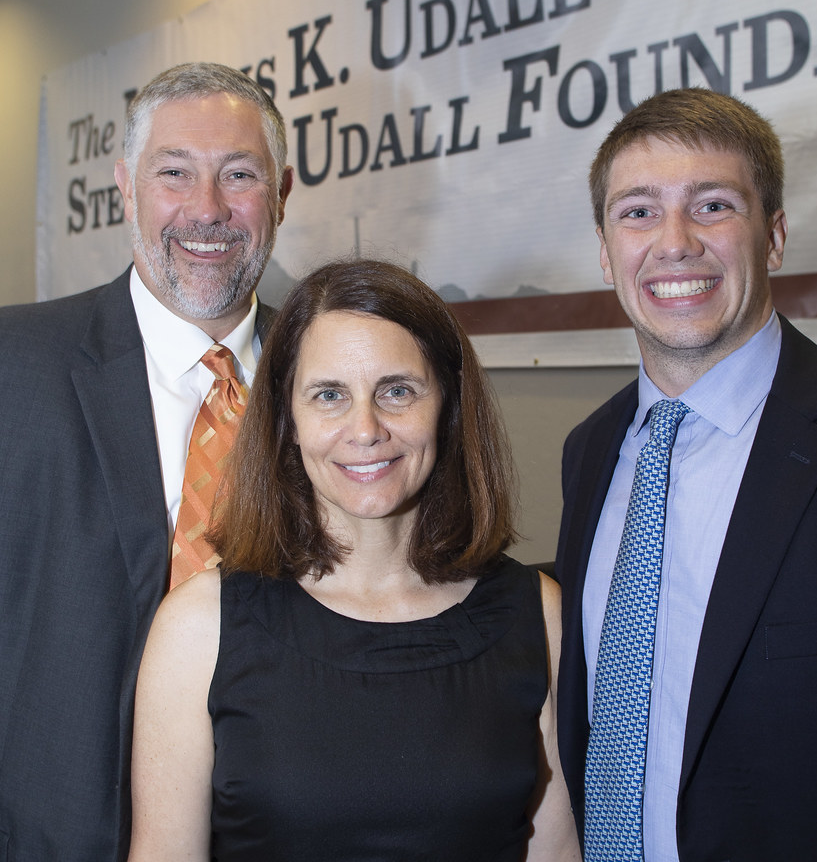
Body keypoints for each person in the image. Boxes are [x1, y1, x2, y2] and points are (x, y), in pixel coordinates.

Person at [128, 258, 581, 862]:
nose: (365, 429)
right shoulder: (197, 628)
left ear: (446, 404)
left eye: (397, 391)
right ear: (287, 419)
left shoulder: (537, 615)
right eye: (329, 395)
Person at [0, 62, 294, 862]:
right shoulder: (13, 367)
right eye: (174, 173)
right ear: (126, 187)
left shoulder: (331, 378)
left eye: (239, 175)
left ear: (283, 191)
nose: (206, 210)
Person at [555, 86, 817, 861]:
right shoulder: (589, 452)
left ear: (775, 235)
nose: (675, 241)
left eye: (714, 205)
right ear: (605, 248)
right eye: (638, 211)